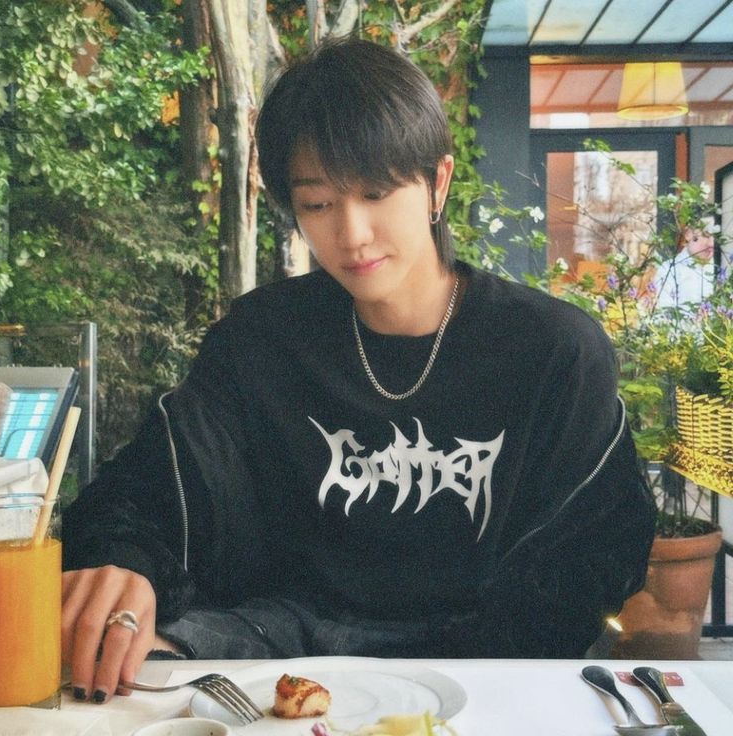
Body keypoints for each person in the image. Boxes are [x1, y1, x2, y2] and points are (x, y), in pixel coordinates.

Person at [61, 36, 656, 704]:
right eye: (318, 204)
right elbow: (145, 489)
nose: (352, 234)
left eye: (376, 192)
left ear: (438, 182)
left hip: (489, 651)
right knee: (126, 677)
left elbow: (596, 546)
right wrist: (125, 564)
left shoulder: (551, 349)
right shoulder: (260, 340)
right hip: (278, 641)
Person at [650, 221, 716, 311]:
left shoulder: (719, 271)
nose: (711, 244)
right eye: (705, 236)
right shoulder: (669, 270)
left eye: (715, 237)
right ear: (688, 234)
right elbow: (663, 315)